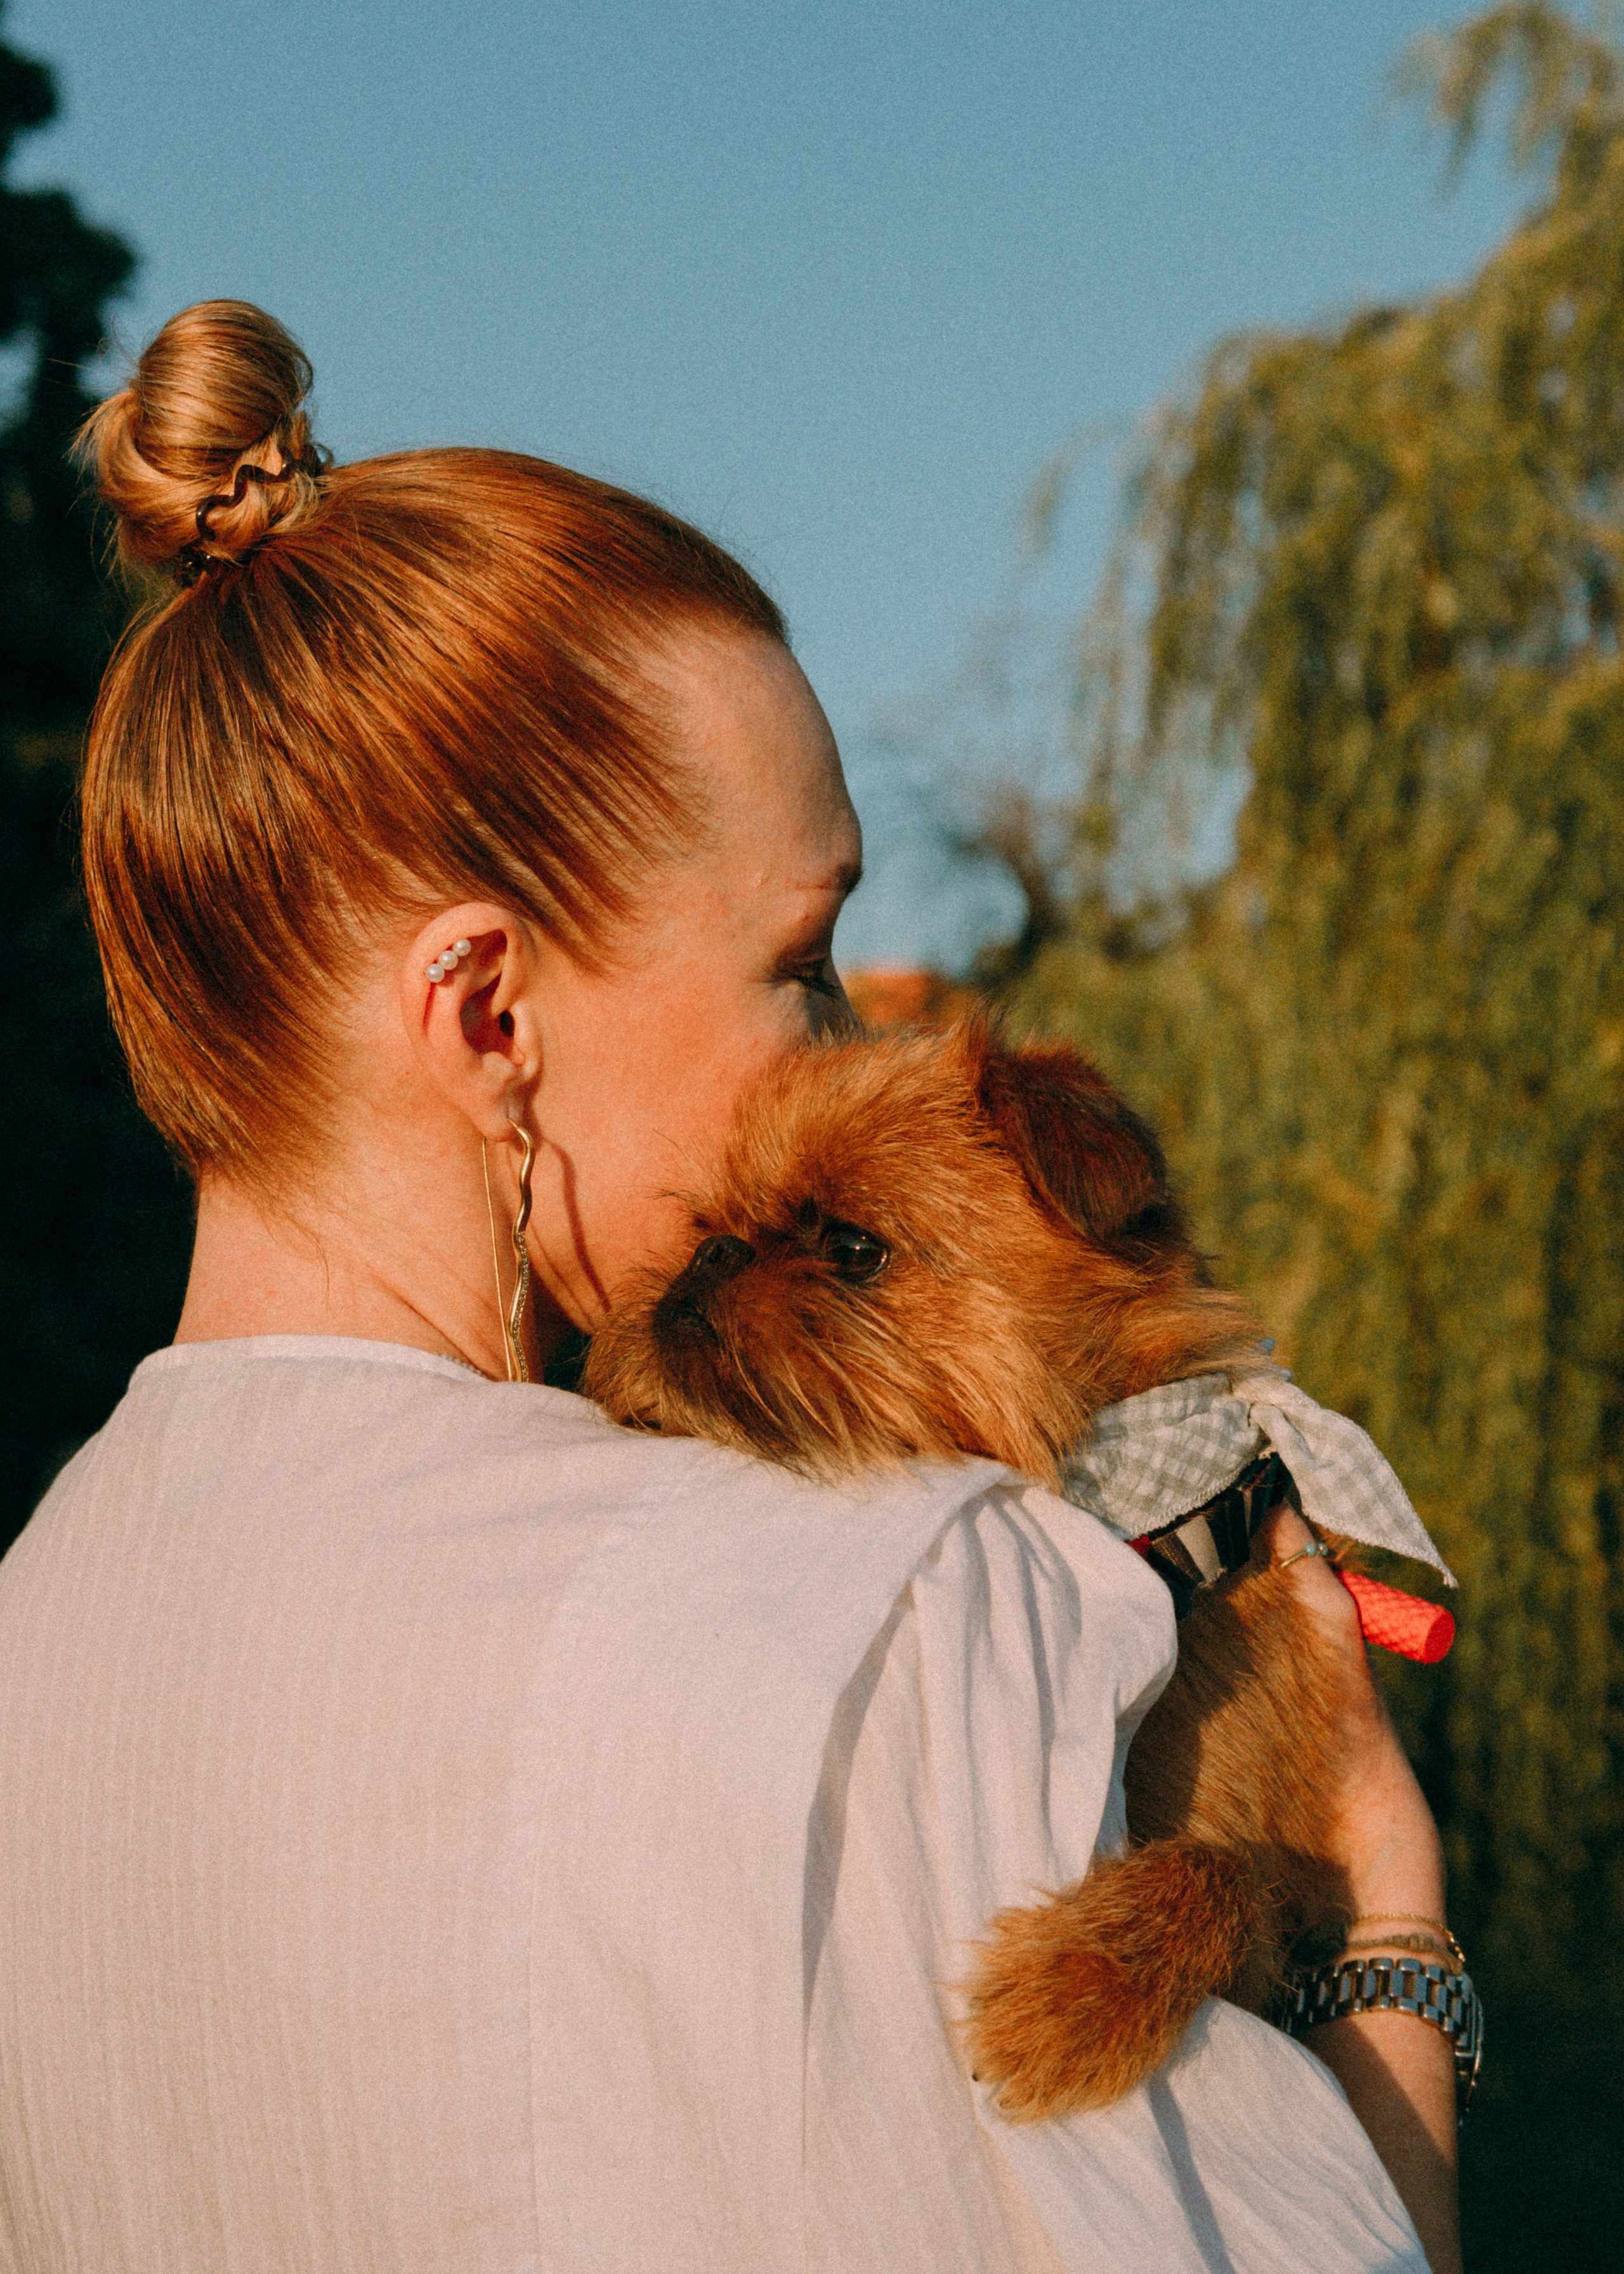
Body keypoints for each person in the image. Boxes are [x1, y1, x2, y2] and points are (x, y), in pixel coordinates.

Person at [0, 301, 1462, 2273]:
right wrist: (1391, 1914)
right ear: (490, 1010)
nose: (849, 1043)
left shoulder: (39, 1631)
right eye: (803, 955)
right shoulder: (899, 1619)